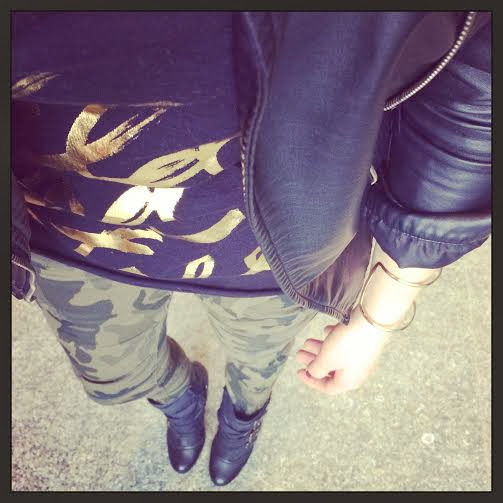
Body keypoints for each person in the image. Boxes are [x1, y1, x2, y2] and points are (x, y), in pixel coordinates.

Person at [11, 11, 491, 486]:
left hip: (275, 251)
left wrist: (379, 317)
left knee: (259, 365)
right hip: (62, 235)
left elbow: (472, 90)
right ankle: (179, 398)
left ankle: (242, 418)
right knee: (113, 374)